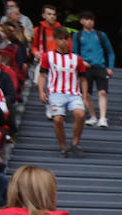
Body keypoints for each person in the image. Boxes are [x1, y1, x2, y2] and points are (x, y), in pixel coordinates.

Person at [37, 27, 88, 157]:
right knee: (58, 119)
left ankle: (75, 143)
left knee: (81, 115)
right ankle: (63, 147)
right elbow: (42, 75)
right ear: (55, 40)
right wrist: (41, 92)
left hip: (74, 93)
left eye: (66, 39)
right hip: (55, 92)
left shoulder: (77, 59)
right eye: (60, 39)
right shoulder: (48, 56)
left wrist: (85, 96)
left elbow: (83, 78)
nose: (63, 42)